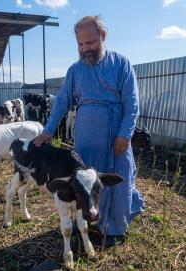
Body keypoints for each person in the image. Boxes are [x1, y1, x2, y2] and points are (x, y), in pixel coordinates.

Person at [34, 15, 144, 247]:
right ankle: (86, 221)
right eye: (81, 44)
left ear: (103, 36)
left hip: (116, 136)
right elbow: (62, 101)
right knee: (85, 182)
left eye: (90, 42)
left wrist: (125, 133)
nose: (85, 49)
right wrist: (48, 130)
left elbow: (132, 103)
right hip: (86, 136)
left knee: (118, 181)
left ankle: (115, 228)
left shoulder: (122, 64)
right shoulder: (75, 70)